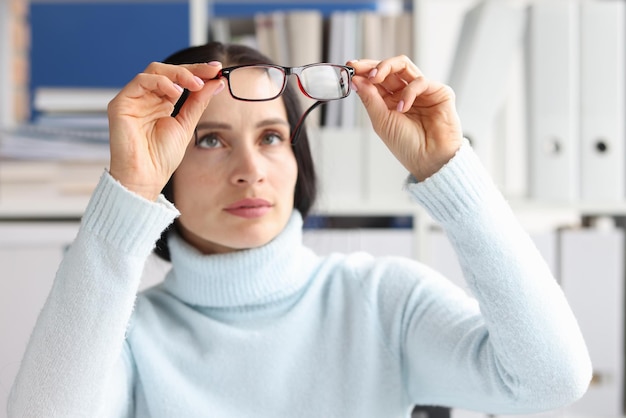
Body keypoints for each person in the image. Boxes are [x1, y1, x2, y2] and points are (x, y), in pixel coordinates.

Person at [8, 42, 591, 417]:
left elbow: (551, 380)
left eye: (270, 137)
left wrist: (449, 169)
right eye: (210, 141)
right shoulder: (129, 338)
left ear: (298, 159)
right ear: (169, 170)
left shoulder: (384, 300)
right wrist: (127, 190)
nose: (250, 172)